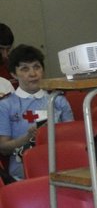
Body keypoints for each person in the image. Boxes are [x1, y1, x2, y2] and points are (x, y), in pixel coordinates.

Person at [0, 45, 72, 180]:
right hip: (22, 175)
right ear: (13, 74)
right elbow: (3, 148)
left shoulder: (58, 100)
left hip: (61, 169)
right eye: (25, 69)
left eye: (36, 67)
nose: (33, 74)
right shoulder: (5, 105)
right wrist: (27, 138)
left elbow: (72, 139)